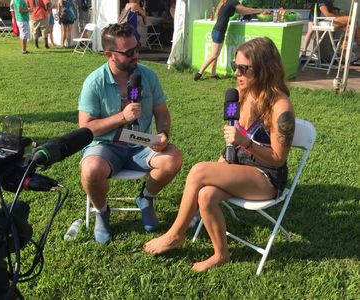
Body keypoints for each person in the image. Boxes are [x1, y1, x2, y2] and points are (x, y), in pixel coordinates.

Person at [144, 37, 295, 272]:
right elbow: (233, 136)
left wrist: (245, 142)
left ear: (264, 69)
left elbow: (278, 158)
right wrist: (228, 154)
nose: (237, 73)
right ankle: (221, 254)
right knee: (206, 195)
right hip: (241, 165)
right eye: (235, 66)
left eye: (244, 68)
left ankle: (175, 234)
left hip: (266, 176)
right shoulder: (240, 95)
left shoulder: (280, 107)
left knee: (198, 171)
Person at [78, 23, 183, 244]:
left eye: (137, 48)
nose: (136, 55)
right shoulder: (94, 82)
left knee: (173, 159)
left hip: (140, 143)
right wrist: (121, 118)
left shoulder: (148, 76)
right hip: (105, 145)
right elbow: (86, 128)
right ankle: (102, 212)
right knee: (90, 169)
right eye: (128, 52)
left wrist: (163, 134)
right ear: (109, 54)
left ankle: (146, 198)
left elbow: (162, 112)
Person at [193, 0, 263, 81]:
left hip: (218, 31)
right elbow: (245, 11)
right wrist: (259, 10)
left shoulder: (228, 3)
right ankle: (199, 73)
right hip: (219, 31)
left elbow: (240, 11)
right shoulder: (232, 2)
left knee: (215, 54)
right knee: (214, 55)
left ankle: (213, 74)